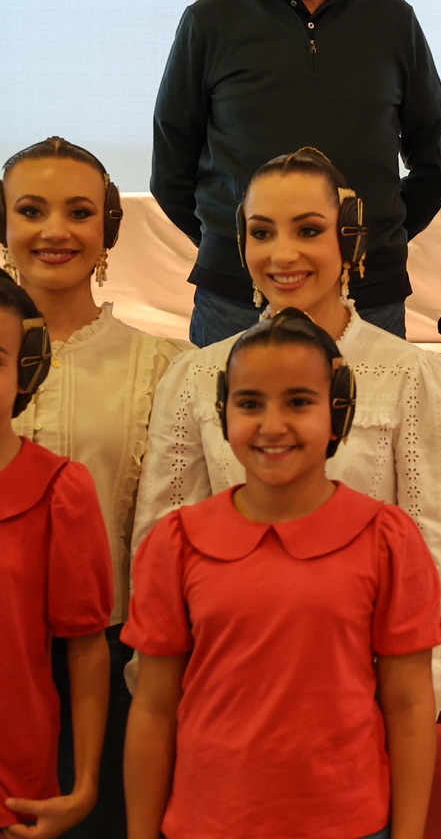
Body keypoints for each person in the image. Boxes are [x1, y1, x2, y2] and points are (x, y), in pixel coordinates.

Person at [133, 149, 441, 711]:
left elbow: (438, 551)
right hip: (226, 690)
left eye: (308, 230)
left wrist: (409, 705)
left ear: (349, 238)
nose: (282, 254)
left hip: (362, 693)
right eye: (262, 232)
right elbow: (161, 544)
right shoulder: (196, 375)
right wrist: (175, 699)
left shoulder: (409, 375)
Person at [125, 309, 441, 839]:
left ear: (338, 411)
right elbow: (155, 708)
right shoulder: (176, 541)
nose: (272, 426)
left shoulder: (386, 539)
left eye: (298, 402)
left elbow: (409, 704)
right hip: (207, 821)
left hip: (347, 823)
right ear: (224, 411)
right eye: (250, 403)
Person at [151, 0, 441, 346]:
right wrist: (242, 248)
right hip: (236, 302)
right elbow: (171, 172)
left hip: (368, 298)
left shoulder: (393, 20)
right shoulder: (209, 23)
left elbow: (434, 164)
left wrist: (373, 239)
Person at [3, 137, 188, 838]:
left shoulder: (164, 367)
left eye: (78, 212)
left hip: (109, 661)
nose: (55, 230)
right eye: (31, 210)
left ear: (107, 228)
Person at [0, 272, 111, 839]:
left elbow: (86, 646)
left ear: (26, 370)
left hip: (15, 789)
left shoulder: (59, 490)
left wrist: (85, 784)